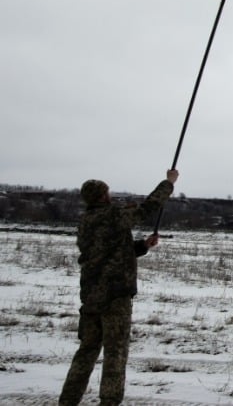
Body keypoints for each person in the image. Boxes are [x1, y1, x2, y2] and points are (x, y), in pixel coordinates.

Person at [58, 168, 178, 406]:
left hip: (91, 296)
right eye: (107, 192)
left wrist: (143, 245)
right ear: (103, 196)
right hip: (115, 298)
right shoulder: (112, 215)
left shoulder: (85, 222)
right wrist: (168, 182)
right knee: (116, 353)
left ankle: (68, 401)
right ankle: (110, 402)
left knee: (87, 351)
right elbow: (148, 208)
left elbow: (109, 252)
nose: (110, 195)